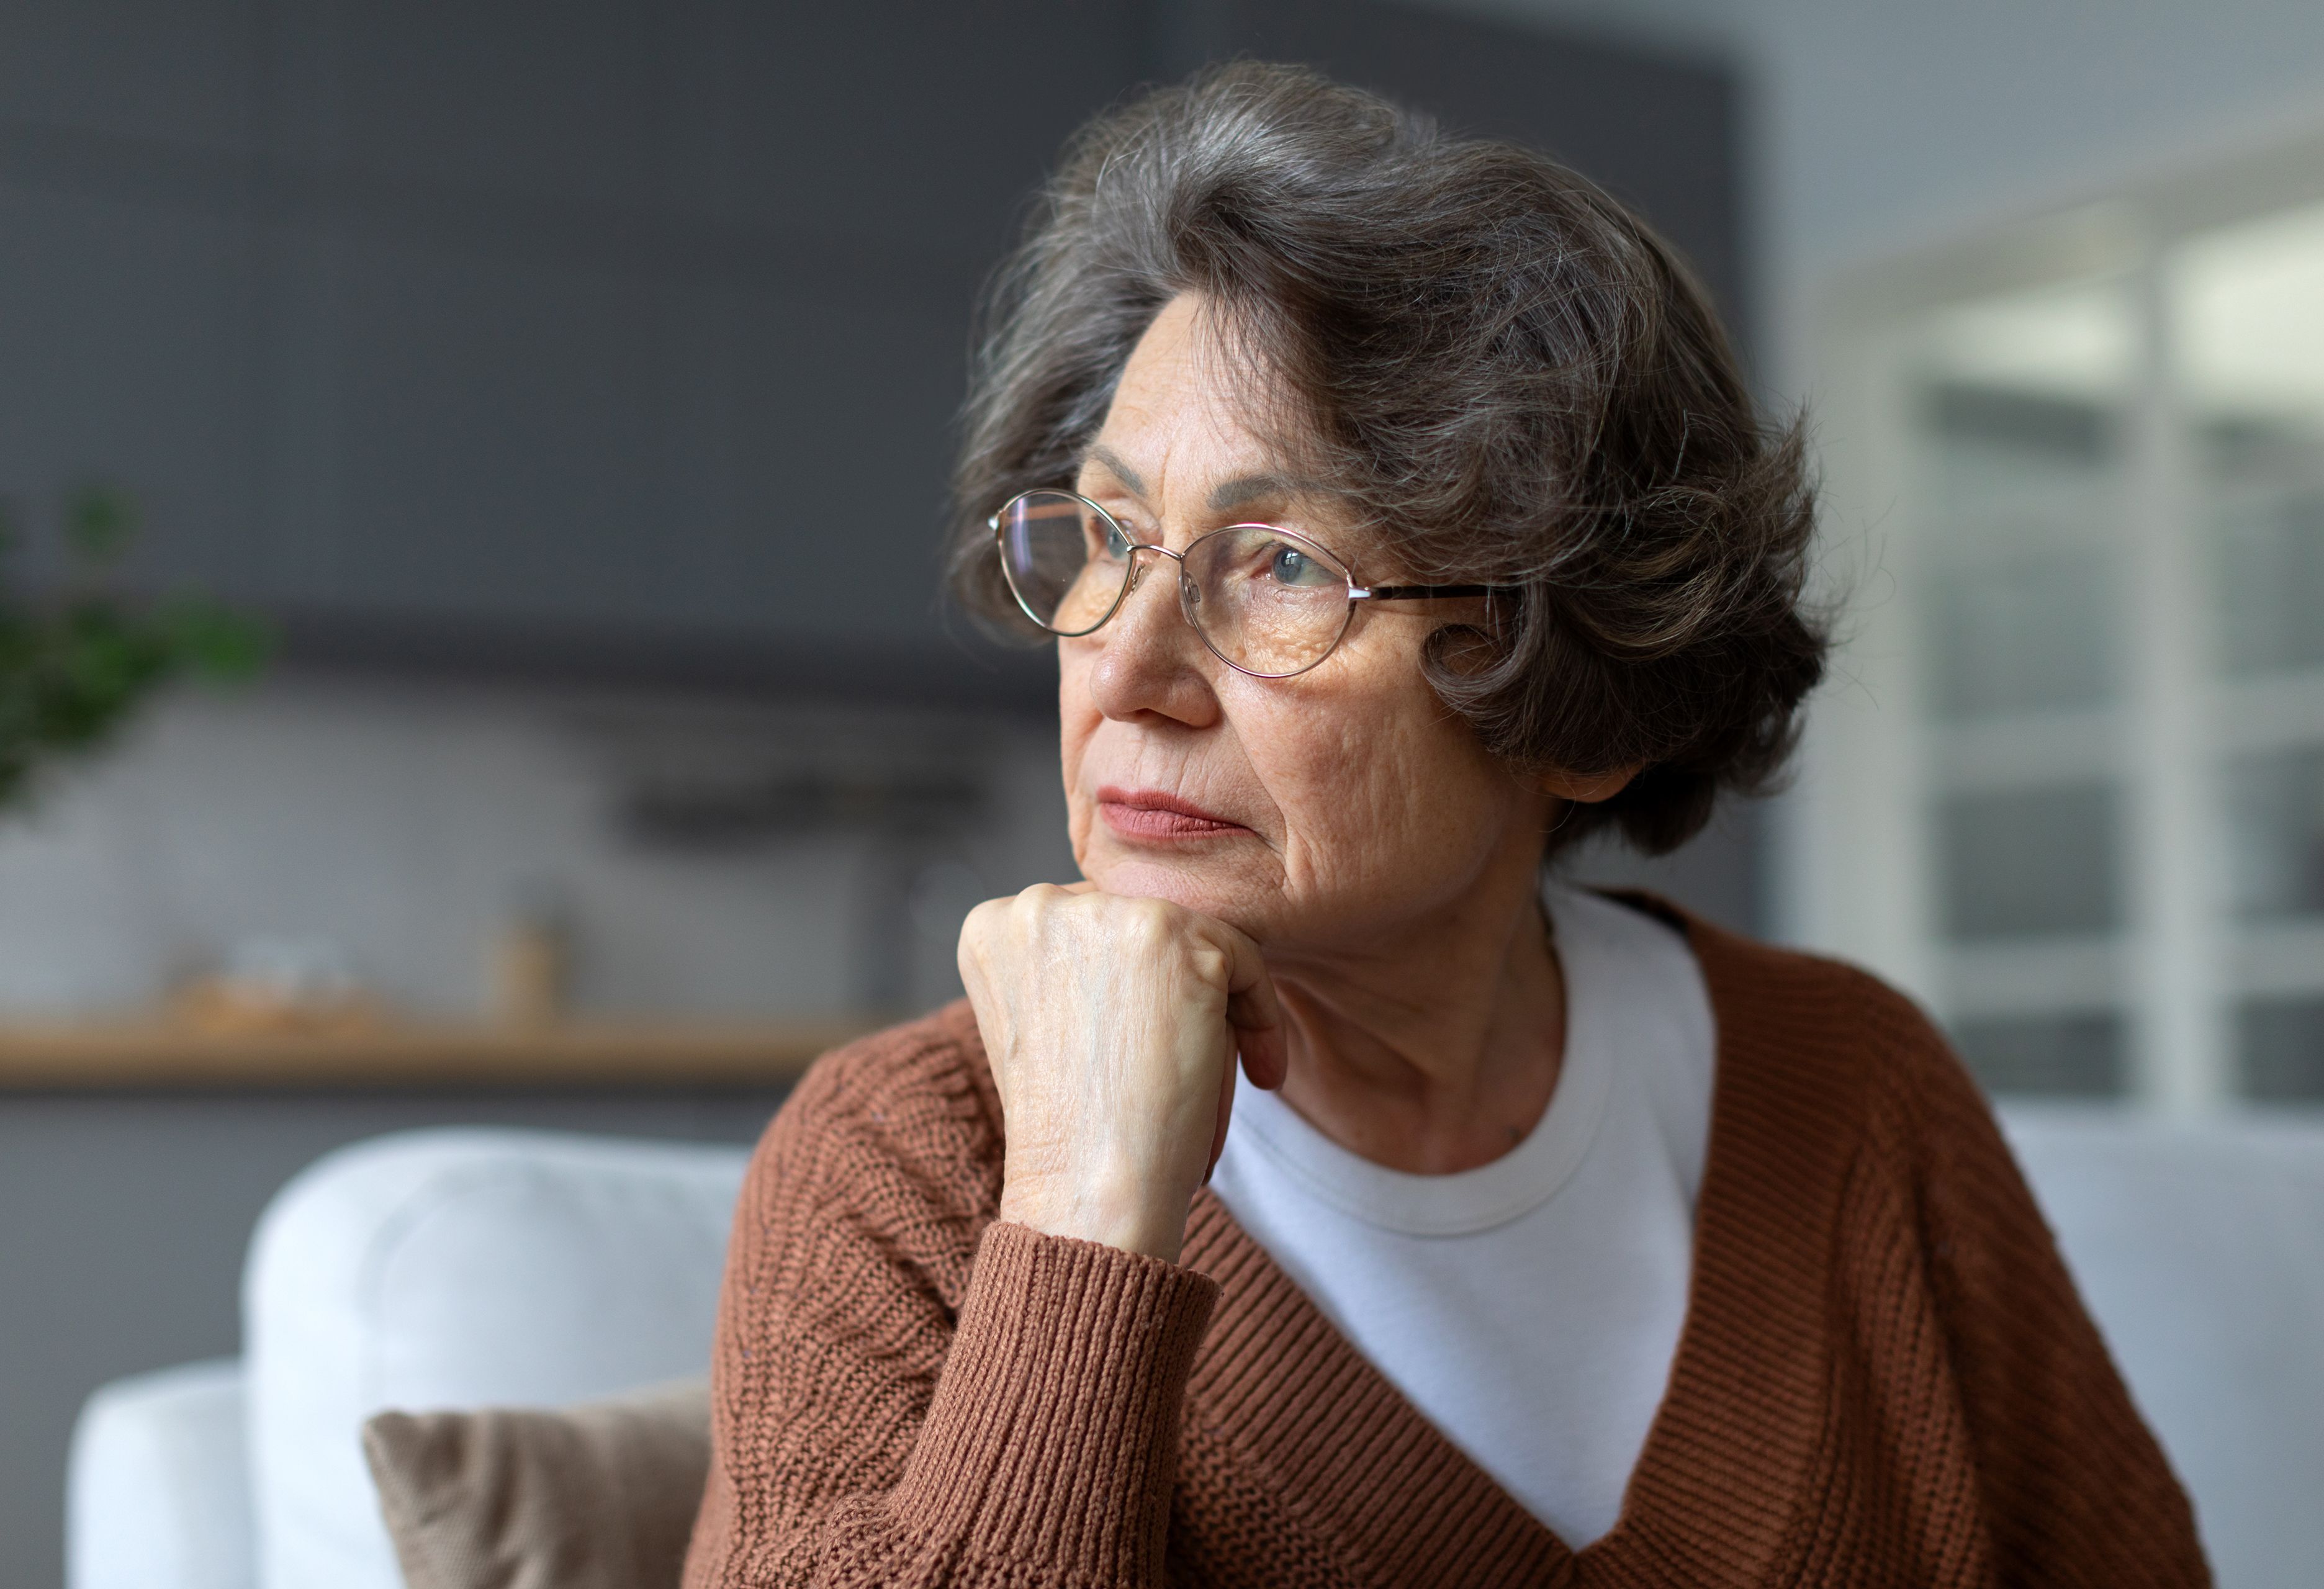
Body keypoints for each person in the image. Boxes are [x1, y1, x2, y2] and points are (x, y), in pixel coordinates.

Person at [683, 61, 2207, 1588]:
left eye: (1277, 563)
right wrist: (1085, 1212)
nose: (1127, 668)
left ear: (1584, 703)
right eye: (1107, 536)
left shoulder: (1858, 1096)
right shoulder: (905, 1166)